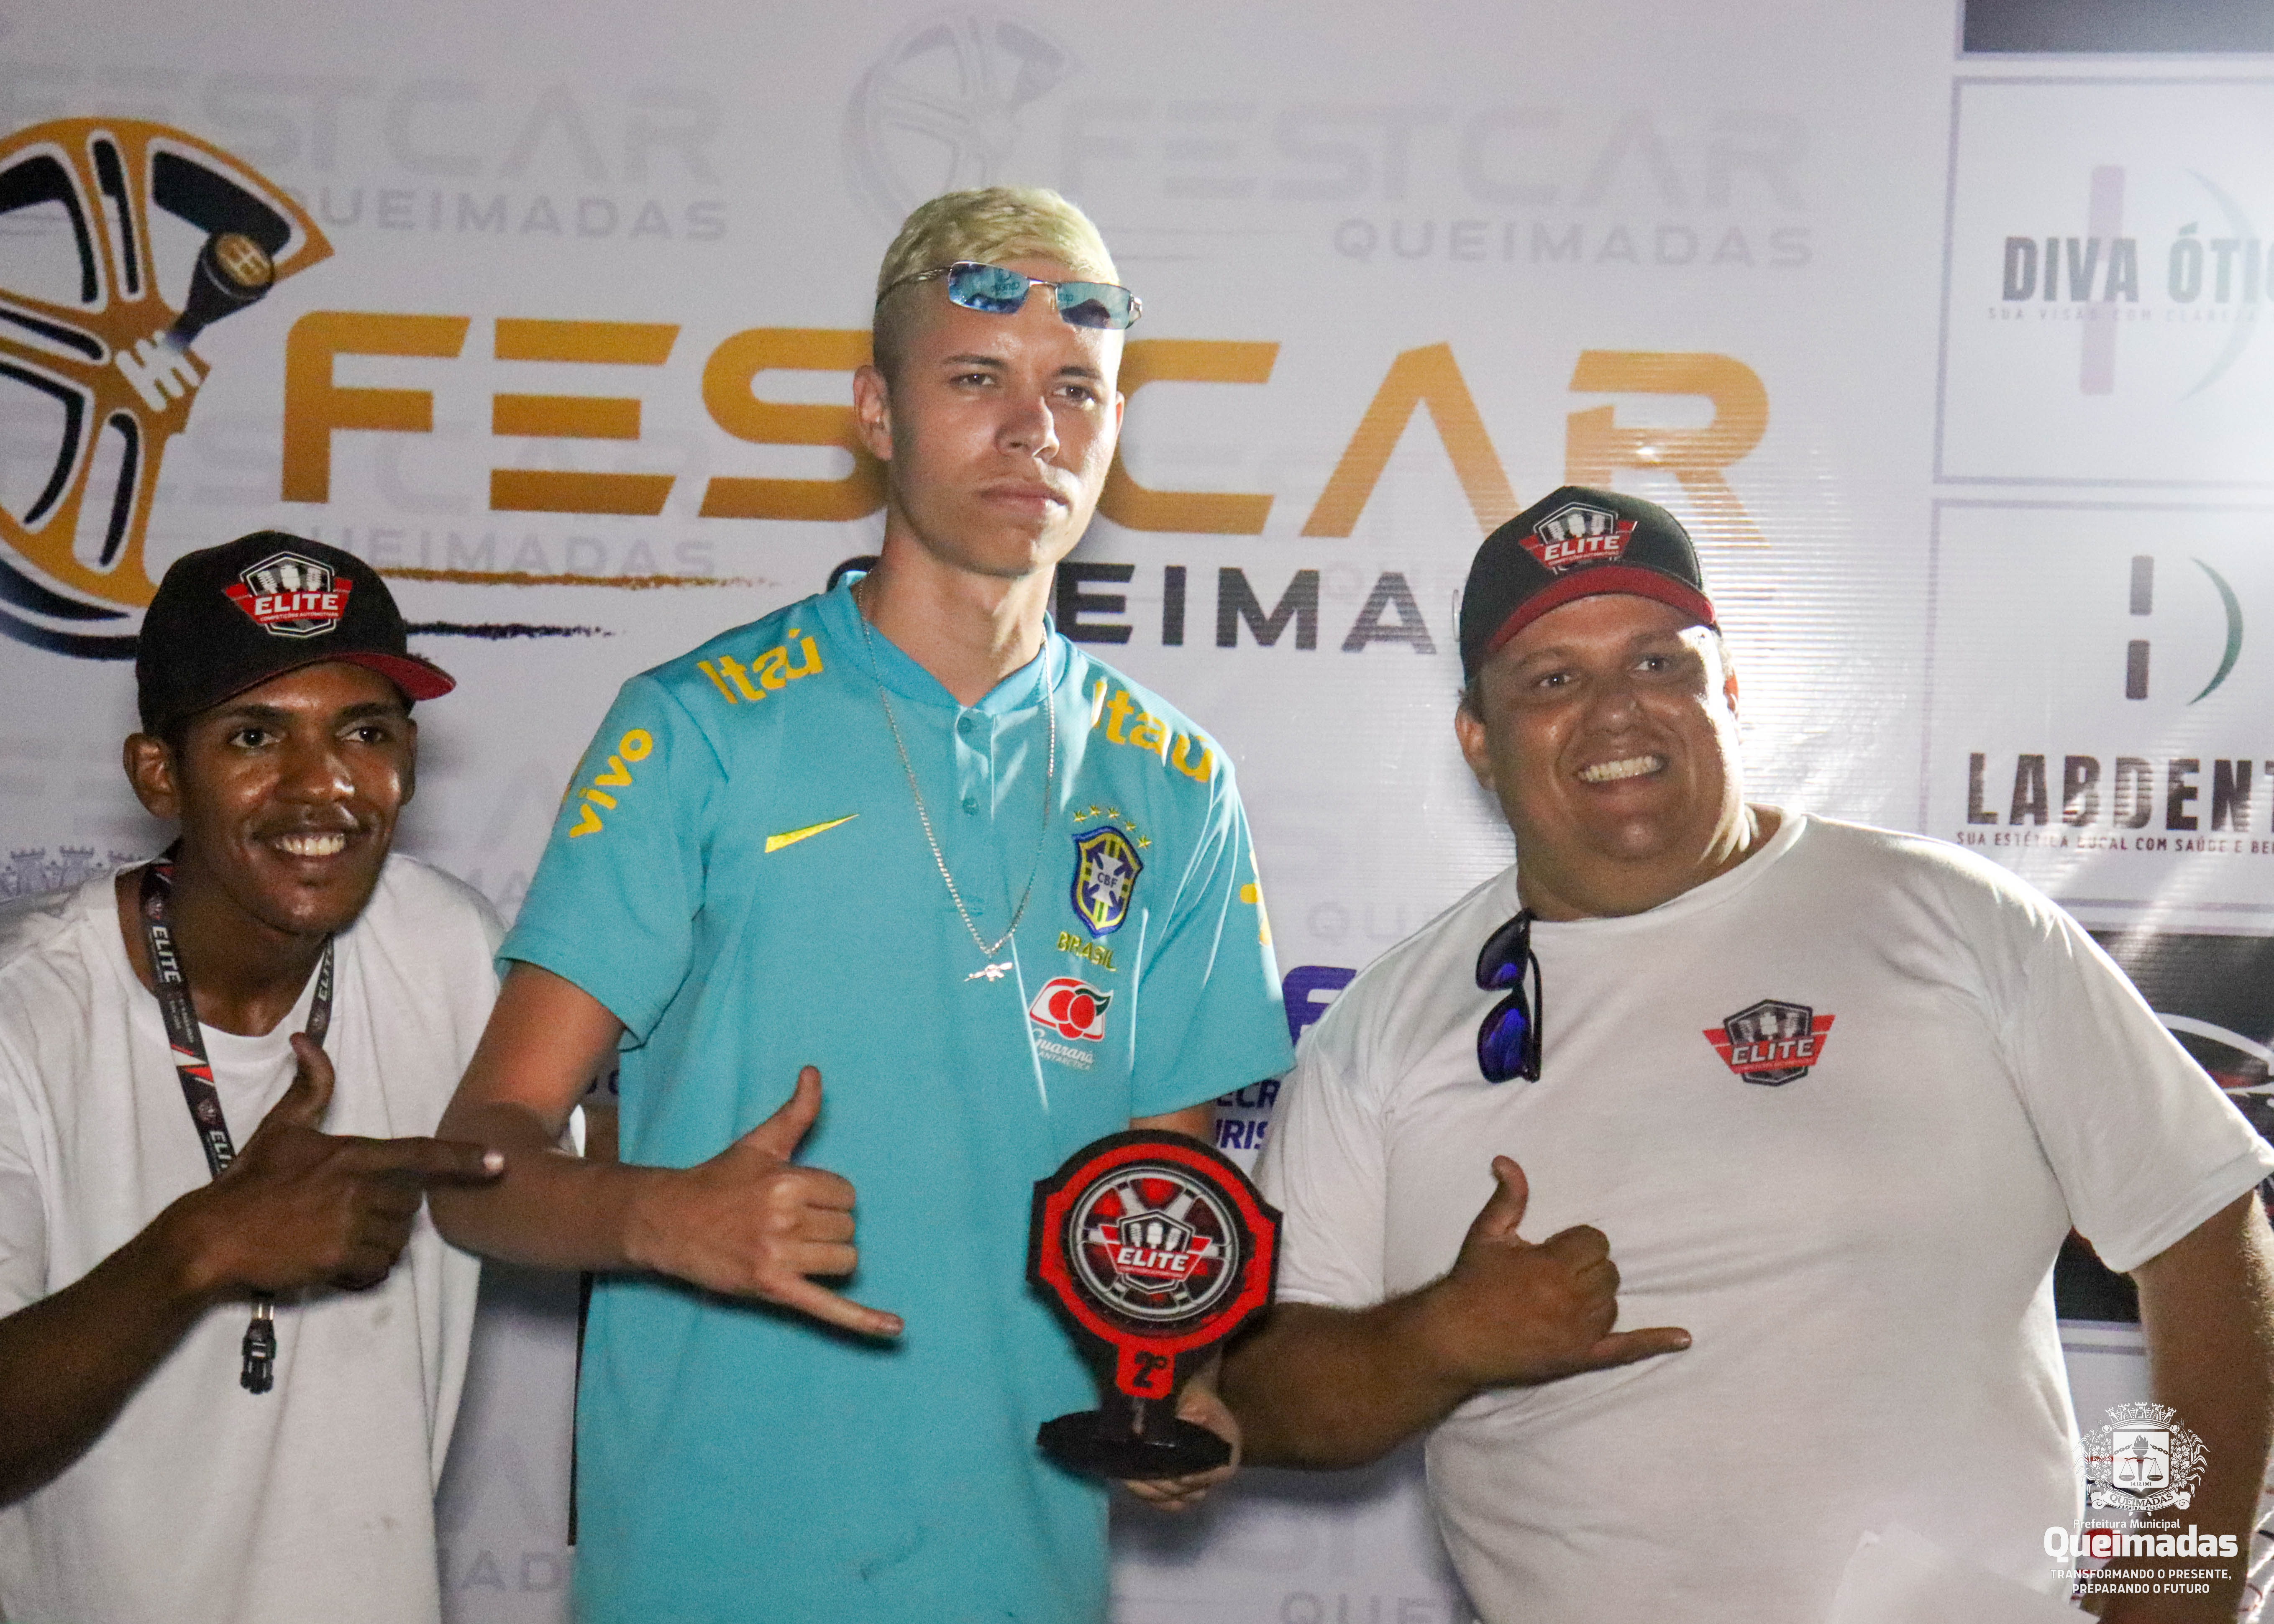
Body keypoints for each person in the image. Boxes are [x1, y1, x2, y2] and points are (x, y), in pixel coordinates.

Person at [431, 186, 1292, 1624]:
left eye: (1077, 389)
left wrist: (1178, 1379)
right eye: (977, 378)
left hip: (1018, 1577)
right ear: (876, 413)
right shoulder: (697, 726)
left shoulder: (1177, 779)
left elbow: (1157, 1219)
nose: (1034, 428)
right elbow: (476, 1165)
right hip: (707, 1573)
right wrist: (659, 1216)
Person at [1222, 486, 2274, 1624]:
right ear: (1478, 738)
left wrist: (2180, 1589)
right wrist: (1443, 1339)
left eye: (1656, 663)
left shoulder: (1953, 917)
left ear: (1726, 687)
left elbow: (2207, 1234)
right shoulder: (1383, 1028)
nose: (1615, 712)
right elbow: (1261, 1394)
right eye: (1552, 680)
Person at [0, 532, 506, 1624]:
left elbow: (550, 1173)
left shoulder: (447, 948)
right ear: (159, 773)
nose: (322, 784)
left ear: (410, 759)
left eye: (364, 731)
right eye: (254, 736)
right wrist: (203, 1246)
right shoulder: (25, 1013)